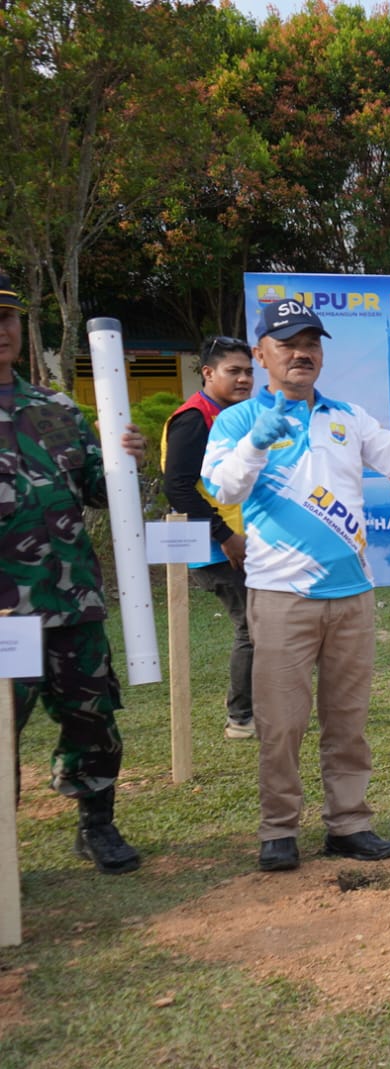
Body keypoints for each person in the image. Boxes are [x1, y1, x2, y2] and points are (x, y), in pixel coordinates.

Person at [203, 298, 390, 872]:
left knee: (348, 720)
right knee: (281, 722)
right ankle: (279, 830)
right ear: (262, 355)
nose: (301, 353)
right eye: (287, 344)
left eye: (310, 343)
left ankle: (349, 823)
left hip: (351, 596)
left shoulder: (347, 416)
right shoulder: (237, 420)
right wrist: (258, 440)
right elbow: (224, 488)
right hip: (282, 595)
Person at [0, 271, 147, 874]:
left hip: (72, 604)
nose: (0, 332)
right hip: (5, 613)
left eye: (7, 320)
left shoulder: (55, 409)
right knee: (0, 733)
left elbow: (96, 489)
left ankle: (97, 825)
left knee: (92, 717)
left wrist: (124, 460)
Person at [161, 335, 258, 739]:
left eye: (249, 372)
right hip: (217, 548)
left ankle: (257, 709)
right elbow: (177, 487)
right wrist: (224, 535)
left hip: (242, 538)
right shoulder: (195, 418)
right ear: (208, 373)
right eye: (233, 371)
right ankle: (241, 718)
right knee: (252, 628)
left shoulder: (237, 414)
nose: (244, 379)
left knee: (263, 625)